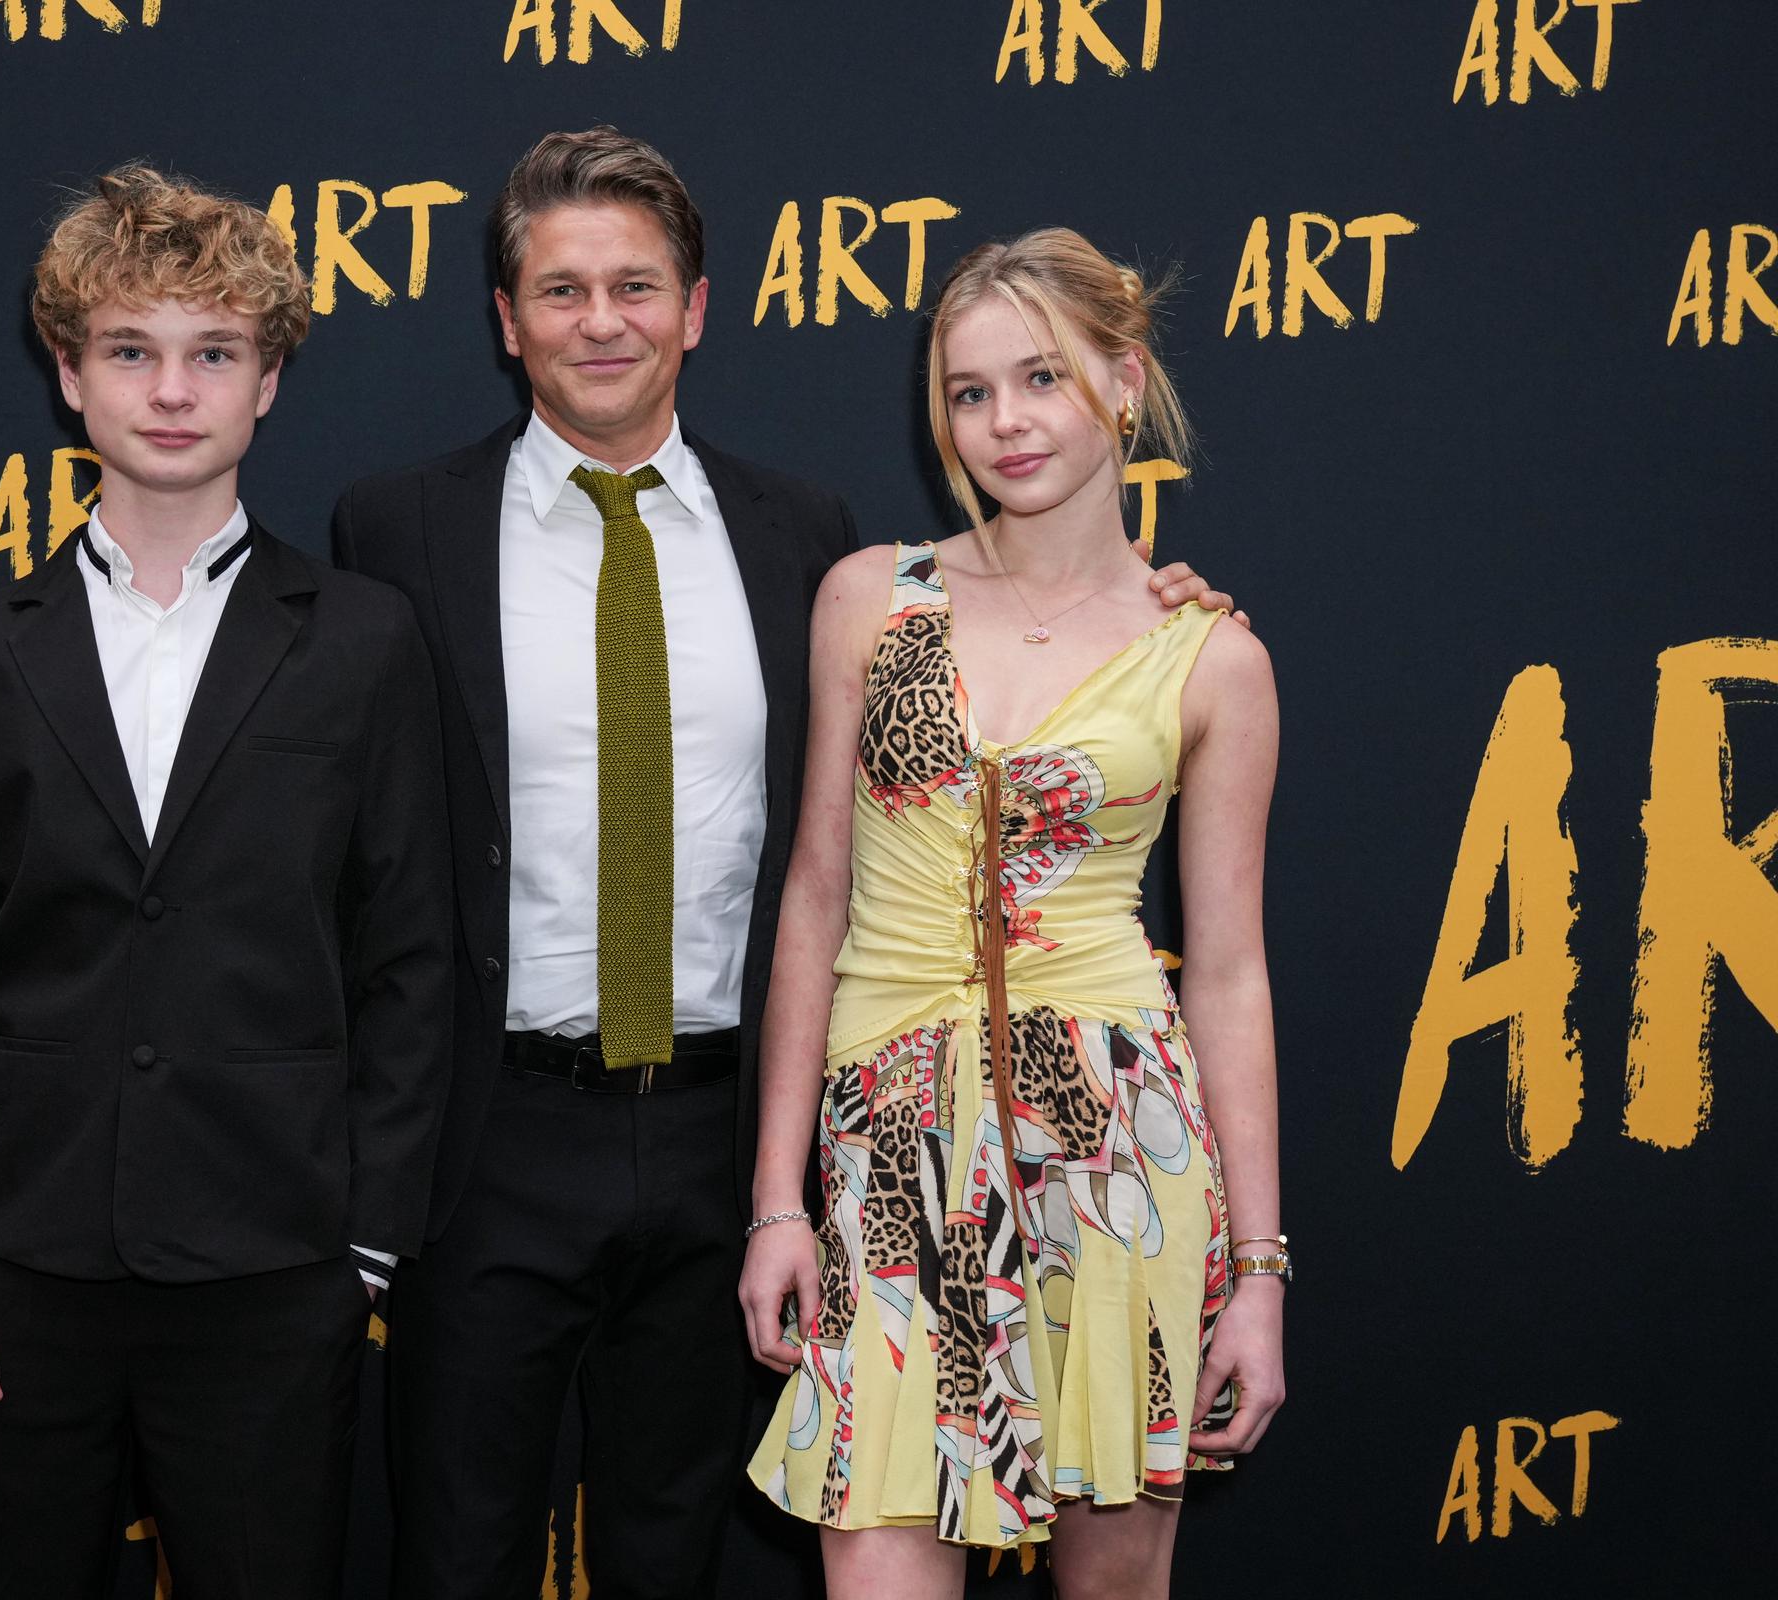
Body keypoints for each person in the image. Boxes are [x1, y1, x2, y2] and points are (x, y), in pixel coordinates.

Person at [331, 129, 1239, 1599]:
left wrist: (1164, 605)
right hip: (482, 1139)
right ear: (506, 322)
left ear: (697, 308)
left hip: (735, 1140)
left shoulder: (808, 543)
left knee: (673, 1551)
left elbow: (925, 760)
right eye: (559, 290)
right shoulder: (395, 530)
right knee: (454, 1551)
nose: (601, 319)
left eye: (637, 283)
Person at [0, 164, 450, 1599]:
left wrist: (361, 1252)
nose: (171, 390)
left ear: (269, 385)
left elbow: (413, 958)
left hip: (273, 1268)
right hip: (13, 1277)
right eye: (131, 350)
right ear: (69, 377)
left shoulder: (366, 640)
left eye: (214, 354)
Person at [738, 228, 1287, 1600]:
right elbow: (815, 895)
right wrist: (772, 1204)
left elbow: (1227, 974)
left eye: (1040, 376)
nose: (1005, 422)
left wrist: (1262, 1271)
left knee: (1111, 1586)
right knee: (872, 1559)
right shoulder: (871, 600)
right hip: (888, 1142)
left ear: (1123, 377)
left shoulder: (1210, 654)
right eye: (970, 391)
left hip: (1117, 1149)